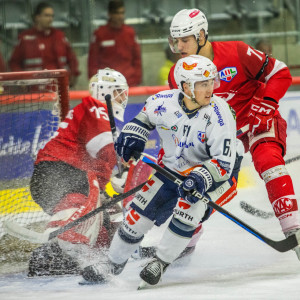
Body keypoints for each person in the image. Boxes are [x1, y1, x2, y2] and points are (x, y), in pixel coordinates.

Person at [81, 55, 244, 285]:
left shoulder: (221, 114)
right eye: (203, 84)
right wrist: (132, 135)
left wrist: (199, 179)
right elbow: (143, 119)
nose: (210, 89)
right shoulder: (163, 101)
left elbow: (224, 164)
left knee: (188, 211)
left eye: (211, 82)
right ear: (186, 86)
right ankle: (112, 264)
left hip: (216, 175)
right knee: (137, 216)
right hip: (173, 169)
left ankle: (160, 262)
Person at [167, 9, 300, 259]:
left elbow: (280, 73)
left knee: (269, 162)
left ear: (202, 35)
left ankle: (294, 229)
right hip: (222, 135)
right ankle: (186, 236)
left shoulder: (237, 52)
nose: (179, 46)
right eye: (176, 40)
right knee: (196, 181)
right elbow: (183, 119)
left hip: (257, 119)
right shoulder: (178, 74)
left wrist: (268, 103)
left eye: (185, 39)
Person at [27, 68, 129, 276]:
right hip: (59, 171)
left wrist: (114, 180)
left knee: (108, 213)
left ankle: (116, 244)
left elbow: (99, 161)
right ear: (105, 91)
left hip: (61, 174)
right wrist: (124, 167)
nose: (123, 97)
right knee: (83, 201)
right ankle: (51, 253)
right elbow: (103, 147)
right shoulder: (95, 107)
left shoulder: (96, 113)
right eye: (119, 91)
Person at [8, 2, 80, 87]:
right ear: (37, 17)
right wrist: (21, 80)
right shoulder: (25, 38)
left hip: (59, 88)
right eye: (47, 15)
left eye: (52, 16)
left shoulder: (59, 36)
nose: (50, 19)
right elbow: (14, 62)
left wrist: (73, 75)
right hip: (34, 88)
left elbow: (72, 58)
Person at [88, 0, 142, 86]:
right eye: (117, 13)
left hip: (129, 84)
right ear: (109, 14)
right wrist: (97, 83)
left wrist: (135, 79)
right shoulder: (100, 34)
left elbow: (137, 59)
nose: (120, 16)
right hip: (106, 86)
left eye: (122, 13)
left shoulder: (130, 33)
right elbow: (92, 62)